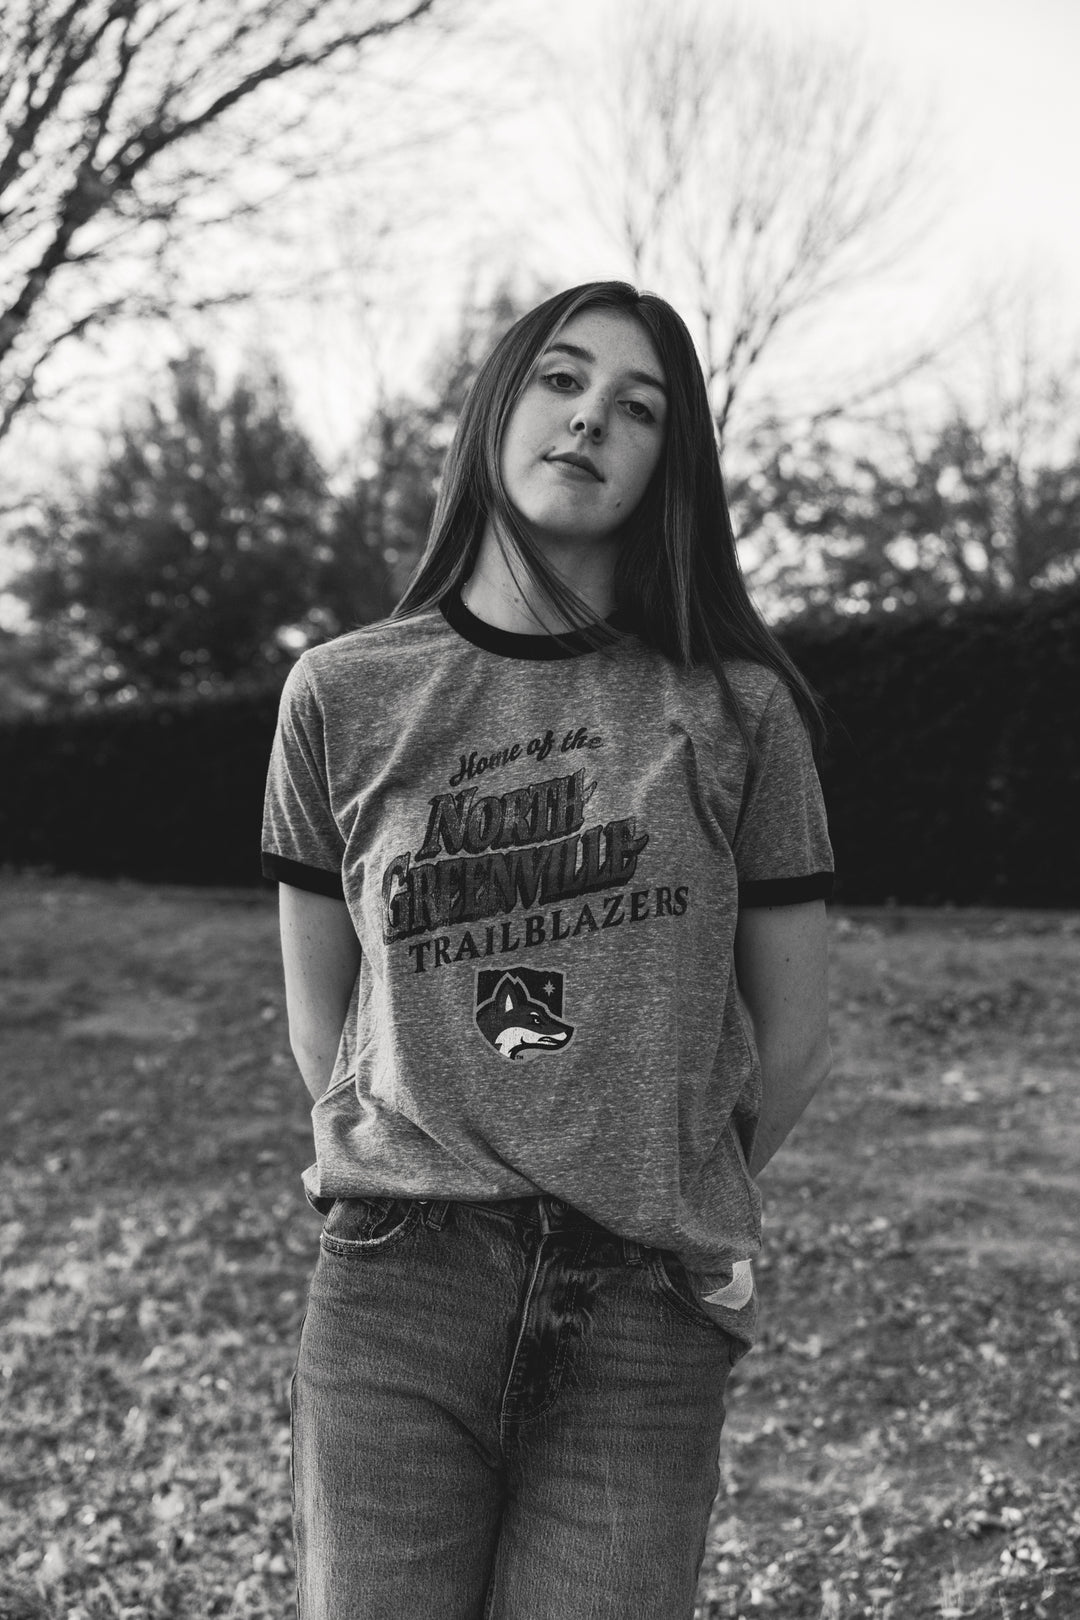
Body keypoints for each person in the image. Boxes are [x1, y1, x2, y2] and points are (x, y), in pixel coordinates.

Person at [261, 280, 833, 1620]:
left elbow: (795, 1043)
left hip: (642, 1307)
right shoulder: (343, 695)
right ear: (496, 410)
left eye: (639, 410)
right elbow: (321, 1029)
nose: (591, 421)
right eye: (561, 380)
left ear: (666, 469)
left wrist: (667, 1186)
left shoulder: (741, 711)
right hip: (399, 1294)